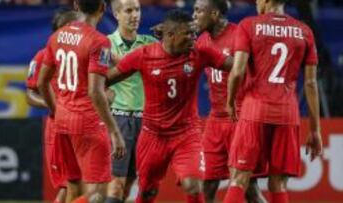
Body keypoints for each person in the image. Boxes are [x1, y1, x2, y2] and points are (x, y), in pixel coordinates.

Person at [106, 9, 233, 203]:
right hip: (152, 135)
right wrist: (96, 92)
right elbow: (107, 79)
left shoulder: (201, 53)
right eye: (188, 34)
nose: (194, 38)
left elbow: (235, 65)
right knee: (148, 191)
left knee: (193, 185)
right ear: (171, 35)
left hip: (187, 134)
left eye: (194, 33)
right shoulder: (144, 55)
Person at [225, 0, 322, 202]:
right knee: (278, 184)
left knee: (239, 178)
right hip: (287, 114)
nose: (256, 3)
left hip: (254, 111)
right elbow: (311, 84)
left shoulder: (249, 25)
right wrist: (315, 130)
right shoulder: (304, 31)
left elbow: (237, 72)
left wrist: (230, 100)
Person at [37, 0, 126, 202]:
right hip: (88, 122)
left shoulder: (57, 36)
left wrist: (56, 109)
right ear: (103, 8)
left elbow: (43, 83)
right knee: (97, 195)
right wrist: (114, 131)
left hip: (62, 122)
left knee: (74, 188)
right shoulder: (99, 42)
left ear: (76, 5)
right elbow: (95, 91)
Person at [192, 0, 267, 202]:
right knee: (205, 184)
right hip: (215, 120)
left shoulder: (239, 35)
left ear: (215, 14)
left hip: (240, 117)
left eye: (199, 10)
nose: (194, 15)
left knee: (248, 186)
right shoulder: (201, 41)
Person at [26, 9, 81, 203]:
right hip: (59, 129)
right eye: (69, 28)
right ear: (56, 32)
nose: (75, 32)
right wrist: (55, 106)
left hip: (84, 126)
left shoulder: (85, 54)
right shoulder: (43, 56)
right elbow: (30, 94)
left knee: (78, 185)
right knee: (72, 184)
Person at [106, 0, 156, 202]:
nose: (135, 15)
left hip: (146, 123)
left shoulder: (151, 44)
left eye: (137, 9)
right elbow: (94, 80)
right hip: (119, 120)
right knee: (116, 184)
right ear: (116, 14)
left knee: (129, 185)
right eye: (128, 10)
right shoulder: (105, 44)